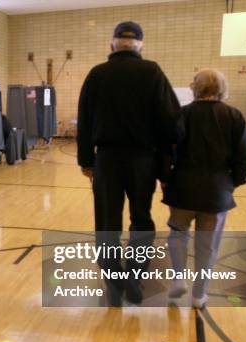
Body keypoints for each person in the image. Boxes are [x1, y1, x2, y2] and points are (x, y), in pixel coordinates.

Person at [76, 21, 180, 306]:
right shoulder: (152, 72)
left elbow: (83, 121)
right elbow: (171, 122)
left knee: (107, 220)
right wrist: (165, 165)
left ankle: (113, 278)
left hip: (106, 159)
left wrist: (86, 161)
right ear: (140, 45)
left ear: (112, 45)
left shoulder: (97, 74)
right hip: (143, 159)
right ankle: (135, 272)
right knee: (141, 217)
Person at [163, 69, 246, 308]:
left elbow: (165, 152)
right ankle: (199, 295)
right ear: (222, 89)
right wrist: (231, 183)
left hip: (182, 188)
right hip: (216, 192)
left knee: (177, 235)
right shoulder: (234, 116)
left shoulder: (181, 115)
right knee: (208, 245)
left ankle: (178, 279)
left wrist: (165, 177)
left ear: (195, 87)